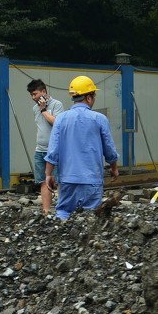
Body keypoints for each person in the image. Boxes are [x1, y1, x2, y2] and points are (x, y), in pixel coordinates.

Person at [43, 75, 119, 220]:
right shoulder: (99, 119)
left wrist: (48, 174)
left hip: (67, 179)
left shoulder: (61, 119)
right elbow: (109, 148)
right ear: (89, 98)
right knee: (90, 217)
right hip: (92, 180)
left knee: (63, 212)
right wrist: (114, 168)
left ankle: (62, 239)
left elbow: (53, 151)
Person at [27, 79, 65, 214]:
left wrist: (44, 110)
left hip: (54, 150)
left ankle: (62, 211)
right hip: (40, 150)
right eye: (31, 95)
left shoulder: (56, 104)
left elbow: (57, 123)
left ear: (43, 92)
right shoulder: (34, 108)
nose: (33, 97)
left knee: (59, 181)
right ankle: (46, 212)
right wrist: (39, 108)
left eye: (35, 94)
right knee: (43, 182)